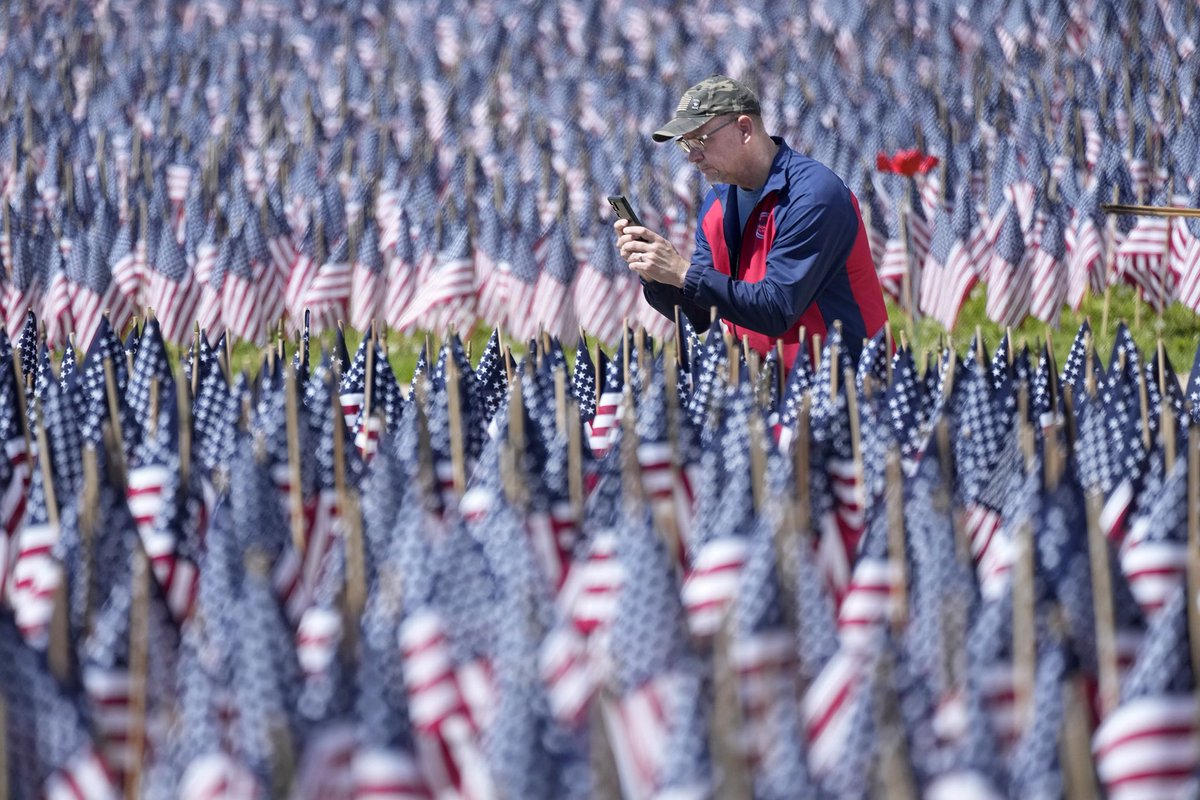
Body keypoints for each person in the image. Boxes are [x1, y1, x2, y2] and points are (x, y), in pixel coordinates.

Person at [614, 75, 888, 369]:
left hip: (843, 386)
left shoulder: (812, 196)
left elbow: (777, 309)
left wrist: (683, 272)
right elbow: (700, 314)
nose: (693, 156)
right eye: (685, 145)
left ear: (744, 128)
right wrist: (655, 274)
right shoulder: (717, 202)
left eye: (700, 140)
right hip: (764, 385)